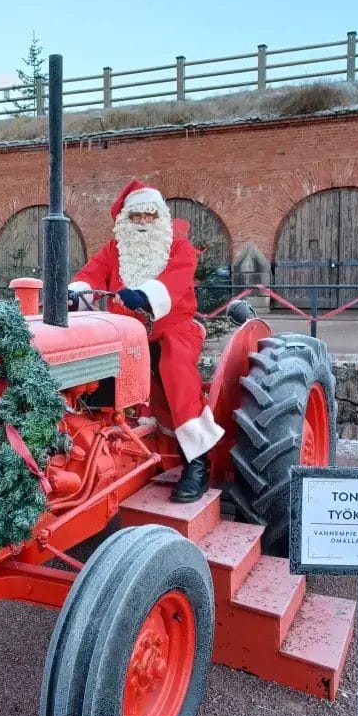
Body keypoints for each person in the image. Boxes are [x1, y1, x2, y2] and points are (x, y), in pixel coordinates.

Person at [68, 180, 224, 502]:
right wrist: (75, 293)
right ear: (125, 221)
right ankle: (103, 450)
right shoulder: (115, 249)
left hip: (174, 330)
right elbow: (91, 274)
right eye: (135, 216)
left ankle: (197, 461)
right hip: (126, 333)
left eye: (149, 216)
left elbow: (175, 281)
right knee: (97, 372)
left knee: (176, 372)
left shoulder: (178, 248)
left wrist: (143, 296)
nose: (142, 223)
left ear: (160, 218)